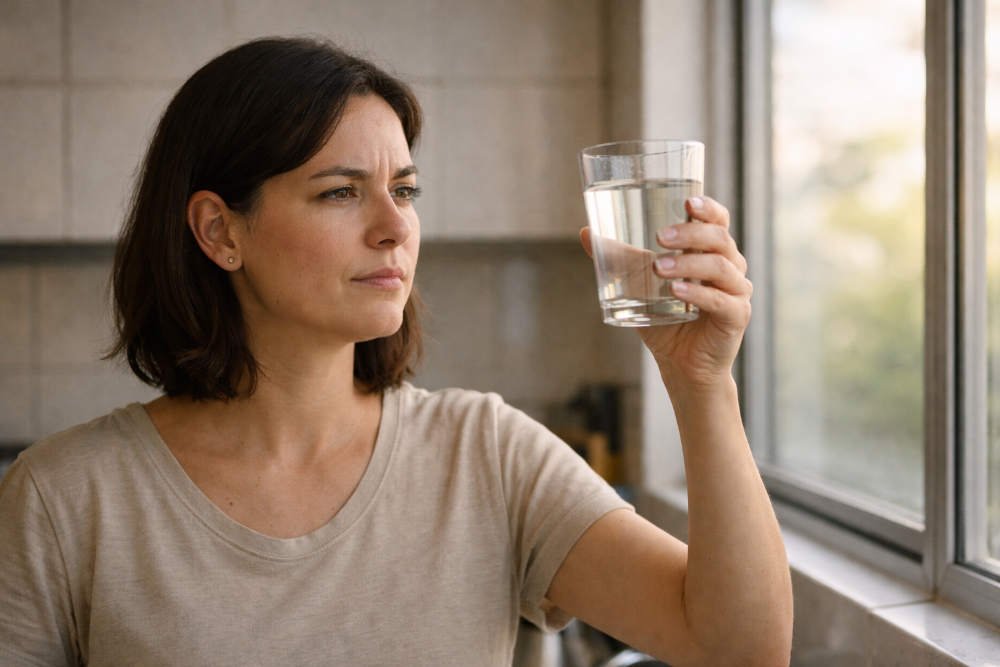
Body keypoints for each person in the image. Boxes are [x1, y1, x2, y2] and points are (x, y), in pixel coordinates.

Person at [0, 37, 792, 666]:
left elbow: (739, 649)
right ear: (220, 231)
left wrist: (701, 382)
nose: (395, 225)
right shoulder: (63, 500)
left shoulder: (486, 454)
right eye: (340, 191)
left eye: (405, 190)